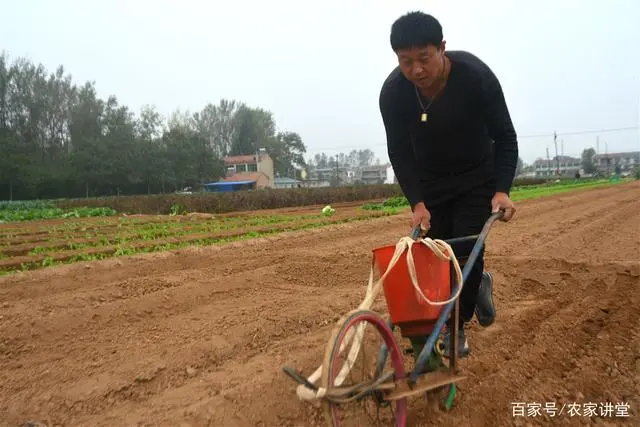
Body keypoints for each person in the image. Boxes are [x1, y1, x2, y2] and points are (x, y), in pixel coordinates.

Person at [379, 11, 518, 358]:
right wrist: (417, 203)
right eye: (406, 62)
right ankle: (472, 291)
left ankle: (456, 329)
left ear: (442, 48)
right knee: (436, 255)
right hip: (432, 182)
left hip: (476, 178)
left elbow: (505, 136)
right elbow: (399, 152)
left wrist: (502, 189)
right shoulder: (395, 93)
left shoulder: (475, 77)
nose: (416, 70)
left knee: (466, 251)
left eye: (424, 59)